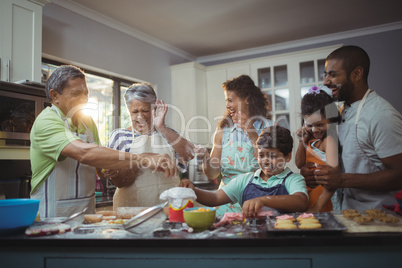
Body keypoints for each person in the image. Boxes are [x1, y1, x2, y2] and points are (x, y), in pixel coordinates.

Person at [30, 66, 177, 218]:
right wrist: (144, 158)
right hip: (52, 215)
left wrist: (107, 170)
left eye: (86, 93)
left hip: (86, 213)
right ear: (55, 96)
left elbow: (99, 166)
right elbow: (84, 153)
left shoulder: (87, 122)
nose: (84, 99)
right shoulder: (46, 121)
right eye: (76, 94)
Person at [302, 45, 402, 210]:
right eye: (326, 75)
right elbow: (312, 125)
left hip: (379, 219)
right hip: (346, 213)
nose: (326, 82)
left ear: (357, 74)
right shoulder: (336, 109)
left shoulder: (381, 115)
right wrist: (311, 170)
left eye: (333, 75)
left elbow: (399, 174)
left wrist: (341, 180)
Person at [181, 126, 308, 218]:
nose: (265, 161)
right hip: (250, 239)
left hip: (282, 241)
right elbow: (215, 198)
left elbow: (300, 201)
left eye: (273, 156)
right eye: (261, 155)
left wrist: (264, 200)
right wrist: (193, 190)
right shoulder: (245, 180)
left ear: (287, 157)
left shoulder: (293, 179)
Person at [195, 75, 274, 217]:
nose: (227, 105)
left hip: (258, 202)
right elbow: (213, 173)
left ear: (247, 99)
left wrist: (252, 134)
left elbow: (273, 167)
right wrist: (206, 158)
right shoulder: (222, 131)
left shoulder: (270, 128)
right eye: (226, 101)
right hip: (226, 205)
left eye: (230, 100)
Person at [106, 83, 195, 209]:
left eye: (145, 111)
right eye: (135, 112)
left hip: (169, 210)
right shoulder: (120, 137)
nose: (140, 117)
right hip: (132, 212)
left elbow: (190, 153)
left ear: (154, 109)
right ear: (128, 110)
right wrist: (143, 159)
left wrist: (162, 127)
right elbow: (120, 182)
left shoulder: (167, 134)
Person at [295, 86, 341, 212]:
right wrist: (301, 142)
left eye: (320, 124)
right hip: (312, 195)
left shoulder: (329, 141)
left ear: (330, 120)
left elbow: (334, 177)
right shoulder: (312, 141)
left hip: (324, 201)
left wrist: (318, 206)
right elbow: (299, 164)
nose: (314, 130)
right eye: (309, 125)